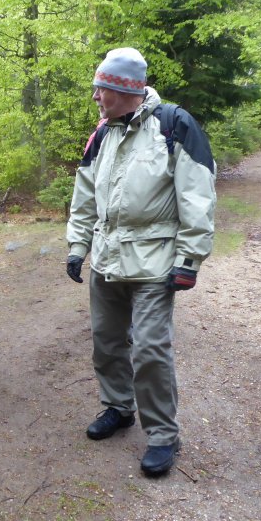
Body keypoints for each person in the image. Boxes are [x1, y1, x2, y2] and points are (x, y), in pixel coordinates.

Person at [65, 48, 216, 477]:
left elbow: (197, 195)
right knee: (106, 341)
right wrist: (78, 246)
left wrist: (189, 258)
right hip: (108, 258)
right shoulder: (102, 133)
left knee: (150, 348)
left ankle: (164, 434)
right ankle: (117, 407)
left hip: (156, 263)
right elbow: (84, 195)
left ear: (124, 89)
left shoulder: (173, 125)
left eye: (102, 88)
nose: (96, 95)